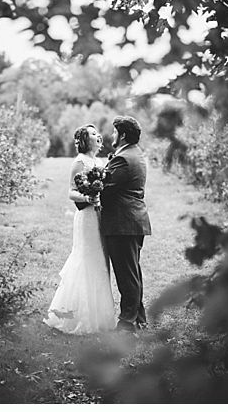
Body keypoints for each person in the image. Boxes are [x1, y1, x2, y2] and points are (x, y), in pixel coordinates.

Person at [44, 124, 116, 334]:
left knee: (100, 261)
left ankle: (100, 313)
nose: (98, 136)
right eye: (93, 134)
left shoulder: (99, 161)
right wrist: (87, 197)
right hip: (87, 217)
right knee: (86, 258)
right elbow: (70, 192)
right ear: (85, 140)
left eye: (97, 133)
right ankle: (77, 315)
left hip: (100, 216)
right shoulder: (80, 162)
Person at [100, 115, 152, 332]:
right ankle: (139, 317)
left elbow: (106, 188)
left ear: (122, 135)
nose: (112, 135)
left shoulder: (123, 159)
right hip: (132, 222)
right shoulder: (134, 154)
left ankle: (127, 323)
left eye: (114, 132)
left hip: (123, 223)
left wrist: (92, 185)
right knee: (132, 272)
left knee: (126, 275)